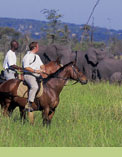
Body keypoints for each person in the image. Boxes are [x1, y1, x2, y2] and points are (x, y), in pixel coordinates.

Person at [22, 41, 45, 112]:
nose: (38, 48)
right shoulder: (27, 56)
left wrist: (42, 68)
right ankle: (28, 104)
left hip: (37, 75)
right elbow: (26, 67)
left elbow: (42, 65)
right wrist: (35, 71)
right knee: (34, 86)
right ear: (35, 47)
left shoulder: (37, 56)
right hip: (29, 75)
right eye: (38, 46)